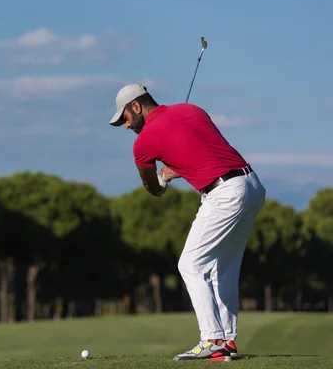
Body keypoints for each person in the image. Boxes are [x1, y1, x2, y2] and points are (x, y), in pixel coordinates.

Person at [109, 84, 266, 362]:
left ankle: (211, 339)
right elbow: (206, 152)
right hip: (251, 185)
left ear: (136, 106)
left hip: (224, 194)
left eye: (125, 118)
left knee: (190, 265)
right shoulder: (191, 110)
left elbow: (152, 187)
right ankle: (227, 341)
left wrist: (163, 179)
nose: (125, 125)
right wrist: (178, 168)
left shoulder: (143, 143)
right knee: (223, 268)